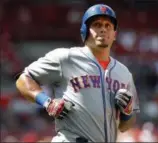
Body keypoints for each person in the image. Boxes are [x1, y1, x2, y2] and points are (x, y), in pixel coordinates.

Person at [16, 4, 140, 142]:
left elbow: (125, 126)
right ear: (85, 30)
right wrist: (47, 102)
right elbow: (23, 80)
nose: (103, 29)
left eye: (108, 25)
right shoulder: (66, 58)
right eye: (97, 25)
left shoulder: (124, 73)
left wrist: (127, 112)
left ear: (114, 34)